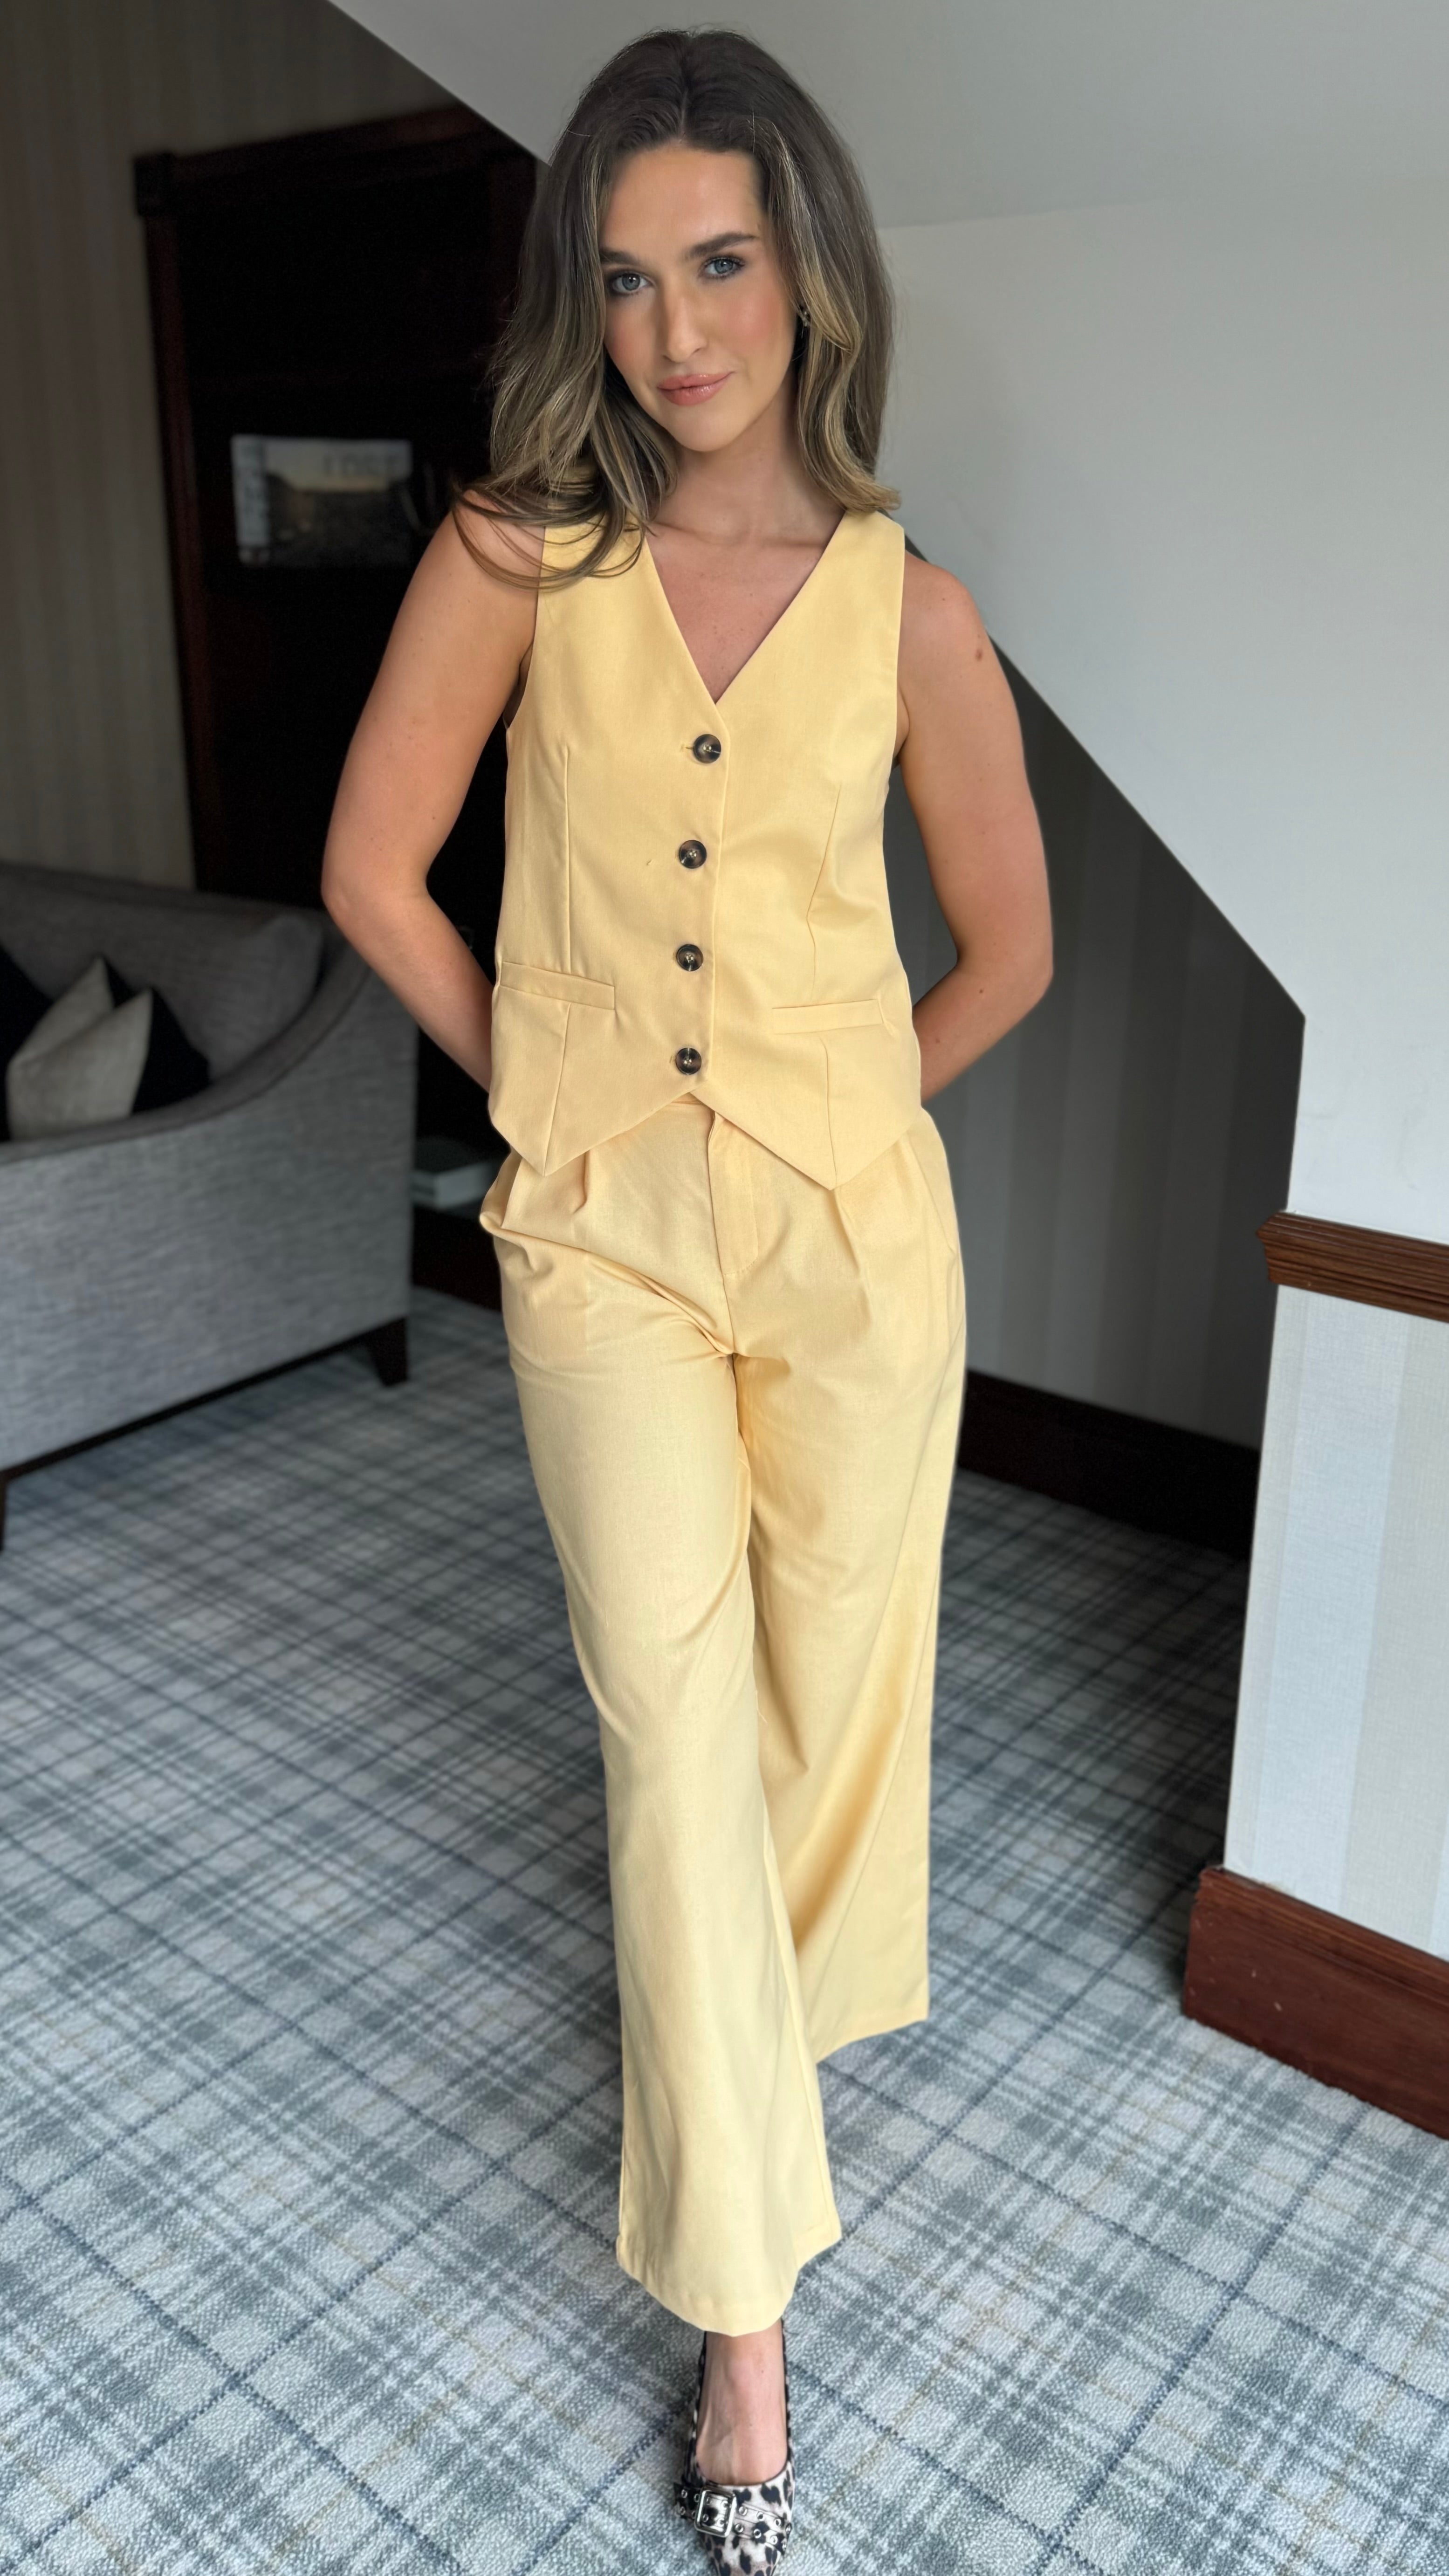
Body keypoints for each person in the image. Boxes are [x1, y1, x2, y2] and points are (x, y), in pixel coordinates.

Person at [322, 27, 1050, 2567]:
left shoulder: (911, 613)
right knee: (666, 1731)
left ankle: (757, 2064)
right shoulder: (515, 558)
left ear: (805, 270)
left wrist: (838, 1116)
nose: (674, 327)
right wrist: (549, 1089)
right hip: (602, 1242)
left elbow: (1009, 947)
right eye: (625, 279)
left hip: (853, 1255)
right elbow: (375, 872)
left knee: (823, 1719)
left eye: (718, 261)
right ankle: (745, 2317)